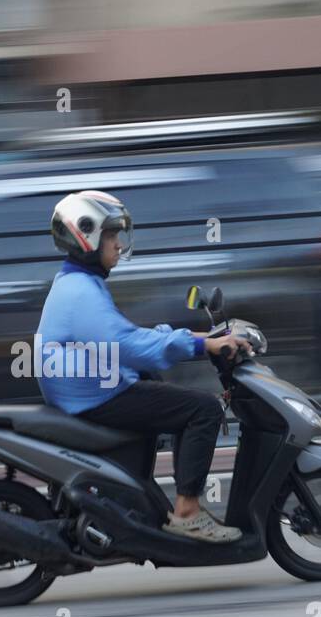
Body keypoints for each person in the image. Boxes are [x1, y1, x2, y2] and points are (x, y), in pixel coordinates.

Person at [36, 190, 251, 543]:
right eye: (111, 236)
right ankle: (187, 514)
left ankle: (150, 506)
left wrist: (201, 337)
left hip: (91, 390)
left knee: (164, 392)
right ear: (85, 235)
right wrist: (200, 343)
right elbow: (130, 345)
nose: (118, 245)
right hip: (96, 397)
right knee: (204, 409)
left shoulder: (77, 284)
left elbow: (127, 336)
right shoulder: (81, 293)